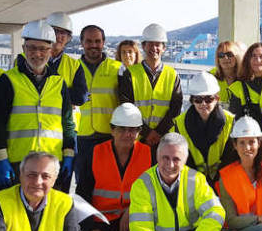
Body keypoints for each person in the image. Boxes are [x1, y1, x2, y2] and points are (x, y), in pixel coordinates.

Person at [0, 20, 76, 191]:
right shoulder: (8, 81)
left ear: (50, 51)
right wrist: (1, 160)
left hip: (51, 163)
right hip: (17, 165)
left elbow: (67, 123)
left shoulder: (59, 83)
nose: (37, 54)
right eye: (32, 48)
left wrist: (69, 155)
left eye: (43, 49)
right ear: (23, 48)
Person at [75, 103, 155, 231]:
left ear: (139, 132)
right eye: (122, 129)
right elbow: (81, 196)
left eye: (133, 130)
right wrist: (90, 229)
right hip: (101, 221)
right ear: (112, 130)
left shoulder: (149, 154)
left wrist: (133, 210)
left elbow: (155, 194)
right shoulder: (95, 153)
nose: (128, 134)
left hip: (134, 218)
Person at [74, 25, 122, 193]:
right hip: (81, 138)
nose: (93, 45)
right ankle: (85, 220)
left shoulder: (117, 68)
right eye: (89, 41)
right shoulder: (73, 68)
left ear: (103, 42)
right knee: (83, 187)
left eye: (97, 41)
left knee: (107, 186)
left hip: (109, 136)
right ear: (81, 43)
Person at [118, 23, 182, 148]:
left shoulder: (172, 75)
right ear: (143, 46)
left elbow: (176, 109)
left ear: (164, 48)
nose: (154, 48)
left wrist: (158, 132)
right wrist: (147, 133)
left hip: (164, 139)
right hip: (137, 138)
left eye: (158, 44)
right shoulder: (130, 74)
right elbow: (126, 106)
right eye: (150, 44)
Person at [172, 71, 236, 184]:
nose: (203, 104)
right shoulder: (180, 123)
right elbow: (182, 157)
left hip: (222, 180)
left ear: (217, 98)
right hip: (192, 181)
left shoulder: (230, 121)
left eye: (208, 99)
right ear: (192, 100)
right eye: (198, 100)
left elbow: (230, 156)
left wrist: (217, 181)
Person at [45, 11, 89, 107]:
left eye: (63, 33)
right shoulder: (27, 60)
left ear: (68, 38)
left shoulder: (74, 65)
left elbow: (80, 97)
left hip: (64, 121)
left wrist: (46, 89)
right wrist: (67, 94)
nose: (58, 36)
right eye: (55, 31)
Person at [210, 40, 243, 110]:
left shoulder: (245, 78)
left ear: (237, 57)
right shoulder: (210, 78)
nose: (225, 58)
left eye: (229, 54)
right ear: (218, 59)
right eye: (221, 55)